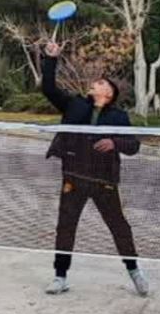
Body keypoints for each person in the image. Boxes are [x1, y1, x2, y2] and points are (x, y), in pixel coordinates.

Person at [39, 40, 149, 297]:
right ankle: (60, 276)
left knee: (119, 226)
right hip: (74, 176)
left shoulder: (119, 117)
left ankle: (135, 271)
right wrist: (51, 58)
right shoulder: (74, 105)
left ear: (109, 93)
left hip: (104, 180)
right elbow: (48, 88)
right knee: (66, 225)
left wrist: (115, 143)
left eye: (100, 82)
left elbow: (134, 146)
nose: (94, 83)